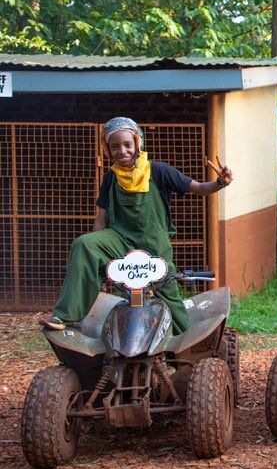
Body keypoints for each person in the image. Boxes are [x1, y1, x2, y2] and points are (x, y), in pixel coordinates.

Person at [42, 117, 233, 333]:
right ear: (107, 150)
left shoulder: (159, 171)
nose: (121, 151)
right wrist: (96, 257)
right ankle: (65, 316)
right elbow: (101, 218)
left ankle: (185, 342)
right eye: (114, 147)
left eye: (127, 145)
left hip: (154, 247)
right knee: (84, 244)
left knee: (168, 295)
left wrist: (219, 183)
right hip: (119, 241)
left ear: (137, 144)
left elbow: (198, 187)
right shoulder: (110, 178)